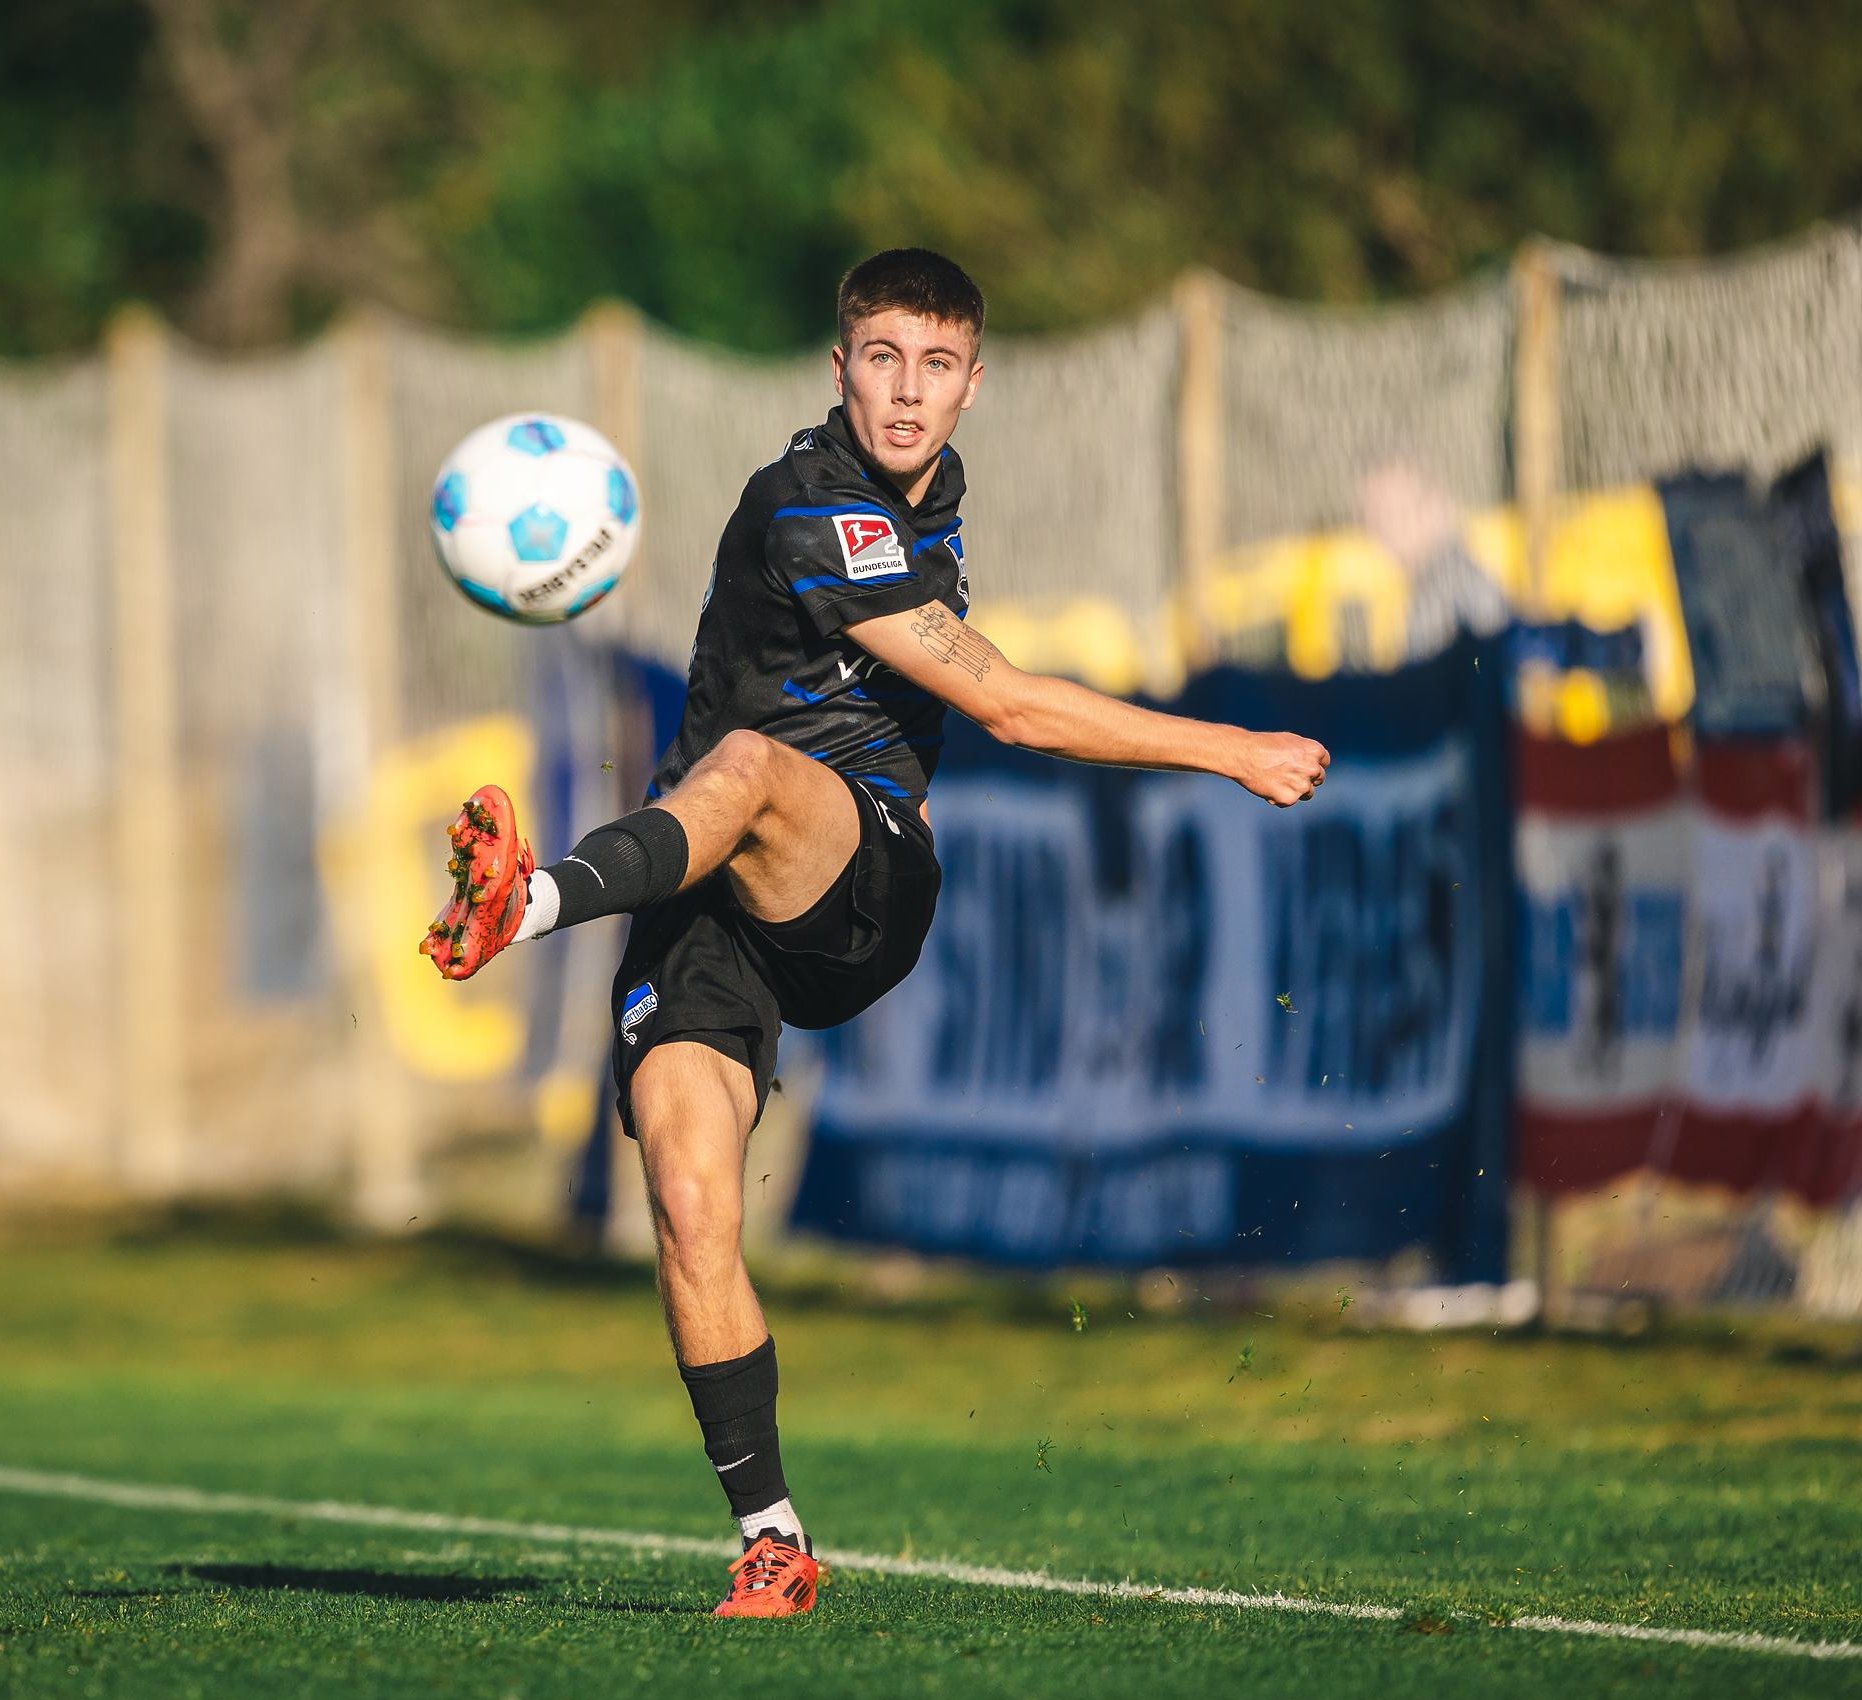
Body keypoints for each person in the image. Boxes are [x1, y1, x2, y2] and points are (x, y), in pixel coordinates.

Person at [418, 250, 1329, 1617]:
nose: (908, 391)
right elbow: (1006, 700)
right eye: (883, 358)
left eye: (937, 363)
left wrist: (1226, 749)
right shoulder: (809, 505)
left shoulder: (923, 503)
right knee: (687, 1198)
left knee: (752, 768)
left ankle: (531, 903)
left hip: (860, 880)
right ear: (838, 368)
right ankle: (772, 1539)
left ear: (974, 381)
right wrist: (1228, 746)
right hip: (704, 895)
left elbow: (998, 706)